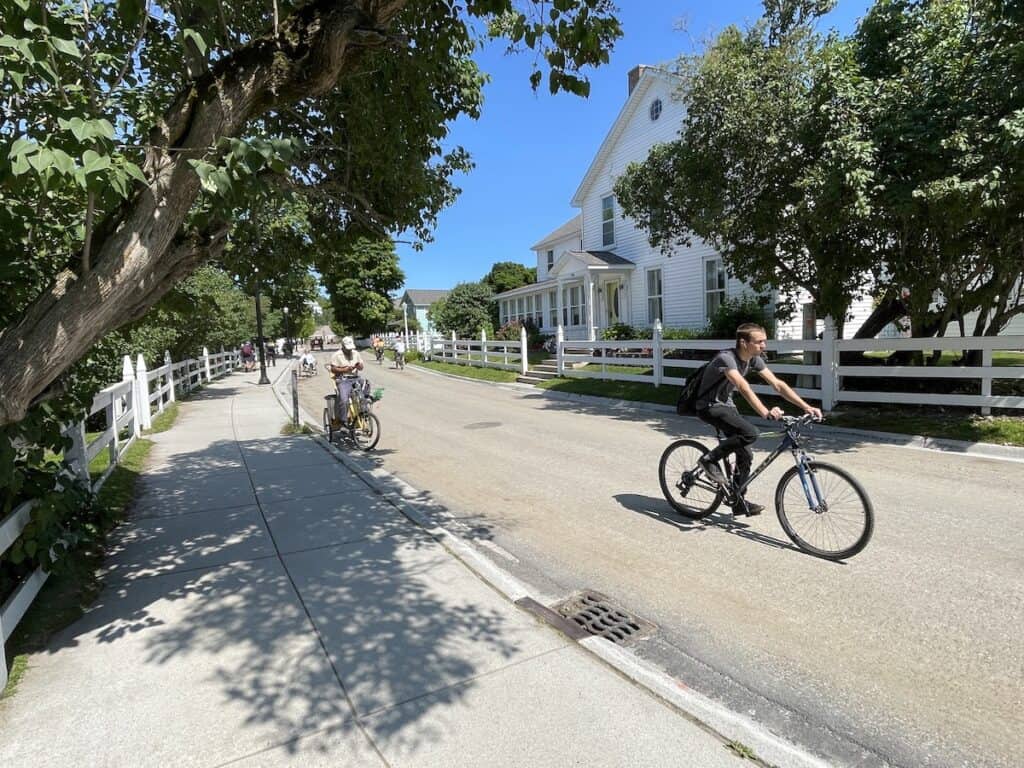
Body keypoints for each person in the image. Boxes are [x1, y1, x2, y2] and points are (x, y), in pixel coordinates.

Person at [696, 323, 822, 516]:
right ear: (743, 342)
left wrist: (806, 407)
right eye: (759, 342)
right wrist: (765, 412)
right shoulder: (726, 358)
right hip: (708, 406)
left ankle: (737, 501)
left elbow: (778, 384)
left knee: (746, 454)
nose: (764, 345)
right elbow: (742, 386)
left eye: (764, 341)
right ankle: (709, 460)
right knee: (750, 433)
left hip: (726, 406)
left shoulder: (753, 359)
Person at [329, 336, 364, 422]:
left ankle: (364, 414)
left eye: (350, 348)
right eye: (348, 349)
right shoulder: (337, 355)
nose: (349, 350)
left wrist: (359, 366)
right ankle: (343, 421)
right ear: (343, 346)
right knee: (344, 400)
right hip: (343, 379)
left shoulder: (356, 353)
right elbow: (333, 369)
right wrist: (344, 370)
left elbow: (361, 367)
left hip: (355, 378)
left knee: (364, 395)